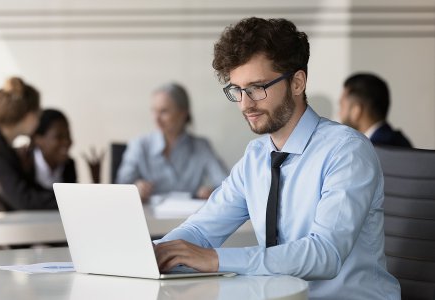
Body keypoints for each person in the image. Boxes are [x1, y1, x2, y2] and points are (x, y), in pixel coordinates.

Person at [153, 17, 400, 299]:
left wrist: (214, 259)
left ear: (297, 83)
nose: (245, 104)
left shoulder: (347, 151)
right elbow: (201, 229)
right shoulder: (256, 156)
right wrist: (152, 253)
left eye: (257, 88)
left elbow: (325, 254)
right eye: (238, 90)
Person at [116, 83, 227, 201]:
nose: (156, 118)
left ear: (183, 113)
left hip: (187, 216)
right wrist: (136, 188)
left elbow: (226, 184)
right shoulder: (139, 145)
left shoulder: (201, 147)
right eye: (154, 111)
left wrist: (212, 191)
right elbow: (120, 187)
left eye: (164, 111)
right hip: (148, 217)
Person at [0, 77, 57, 211]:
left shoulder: (3, 148)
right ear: (29, 115)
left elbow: (29, 189)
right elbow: (24, 199)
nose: (39, 118)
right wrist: (65, 201)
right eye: (38, 112)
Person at [339, 73, 412, 147]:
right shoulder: (397, 141)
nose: (339, 114)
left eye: (342, 106)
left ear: (356, 111)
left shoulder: (375, 149)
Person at [19, 109, 77, 190]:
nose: (67, 142)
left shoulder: (69, 166)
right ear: (38, 139)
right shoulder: (24, 164)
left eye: (68, 135)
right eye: (59, 137)